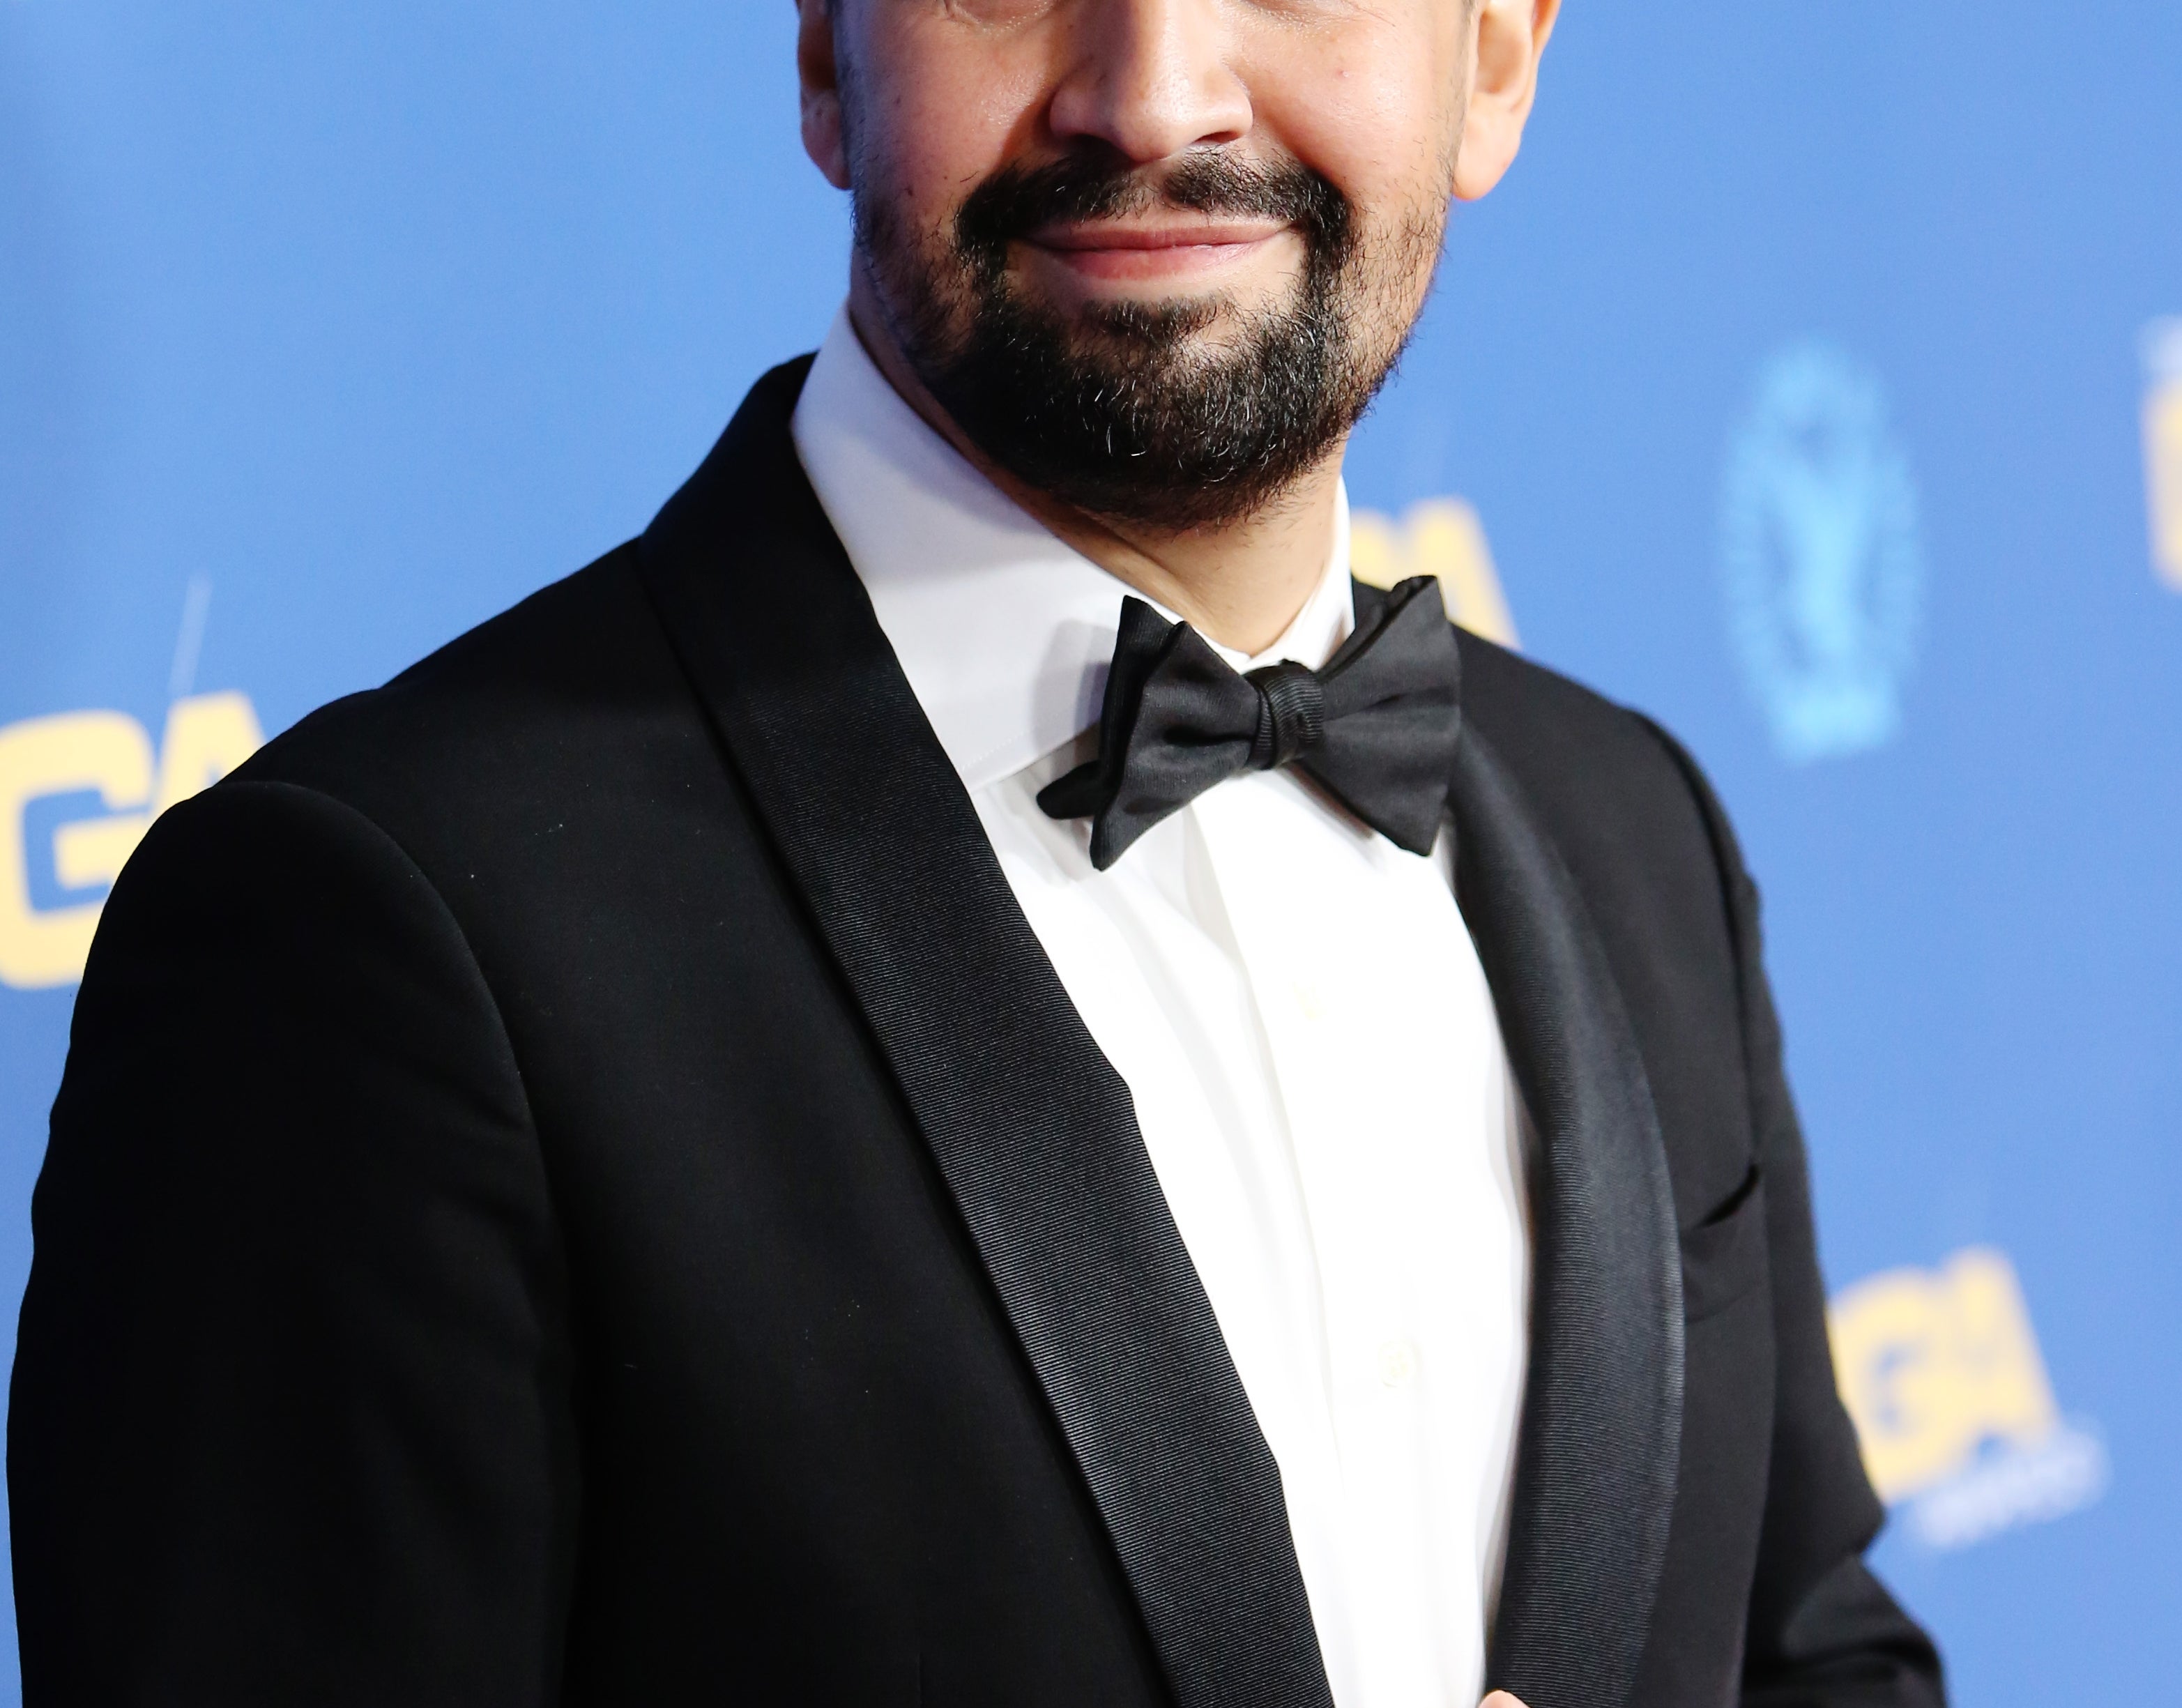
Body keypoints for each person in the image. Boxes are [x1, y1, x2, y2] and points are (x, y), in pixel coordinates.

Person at [9, 1, 1946, 1704]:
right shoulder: (371, 930)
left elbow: (1808, 1656)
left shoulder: (1636, 830)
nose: (1151, 91)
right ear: (820, 53)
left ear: (1496, 53)